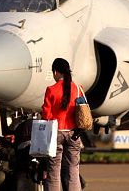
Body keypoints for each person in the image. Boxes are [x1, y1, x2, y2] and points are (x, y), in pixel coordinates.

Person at [41, 58, 82, 191]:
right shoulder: (78, 88)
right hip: (74, 133)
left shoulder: (51, 89)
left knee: (53, 170)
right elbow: (82, 110)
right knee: (73, 170)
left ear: (56, 72)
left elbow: (46, 115)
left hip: (55, 133)